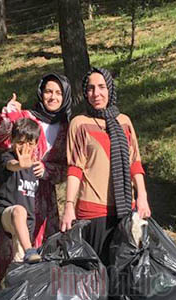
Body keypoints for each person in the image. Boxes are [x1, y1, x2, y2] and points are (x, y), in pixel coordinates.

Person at [0, 73, 71, 283]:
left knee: (45, 245)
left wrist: (47, 170)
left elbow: (67, 167)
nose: (53, 97)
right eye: (48, 91)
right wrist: (8, 114)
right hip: (17, 189)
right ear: (41, 93)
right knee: (14, 241)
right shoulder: (25, 117)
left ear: (65, 97)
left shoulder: (67, 128)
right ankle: (8, 289)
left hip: (45, 197)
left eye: (58, 93)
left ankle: (39, 287)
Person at [61, 67, 150, 265]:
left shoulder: (124, 122)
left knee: (123, 272)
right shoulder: (79, 123)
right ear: (85, 93)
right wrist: (68, 206)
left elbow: (134, 163)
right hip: (93, 211)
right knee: (97, 272)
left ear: (110, 90)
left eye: (102, 87)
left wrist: (142, 196)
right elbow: (75, 168)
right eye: (91, 88)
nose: (96, 93)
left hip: (125, 210)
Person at [0, 118, 42, 265]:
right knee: (19, 211)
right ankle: (29, 250)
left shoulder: (35, 168)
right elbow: (11, 165)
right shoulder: (7, 157)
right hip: (7, 213)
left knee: (22, 264)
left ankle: (16, 274)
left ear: (36, 144)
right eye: (20, 143)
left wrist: (42, 168)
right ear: (12, 141)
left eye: (30, 144)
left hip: (26, 224)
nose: (24, 148)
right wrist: (19, 165)